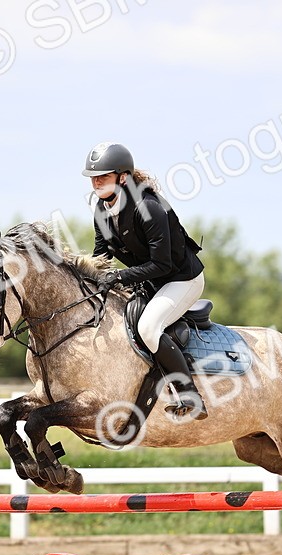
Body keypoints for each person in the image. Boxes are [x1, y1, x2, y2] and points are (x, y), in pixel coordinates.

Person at [84, 142, 209, 421]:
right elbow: (101, 255)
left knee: (149, 328)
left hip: (181, 279)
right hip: (151, 281)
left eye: (103, 175)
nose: (96, 182)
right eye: (93, 176)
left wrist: (119, 276)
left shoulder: (148, 207)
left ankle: (190, 395)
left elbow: (161, 264)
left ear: (123, 177)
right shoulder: (102, 210)